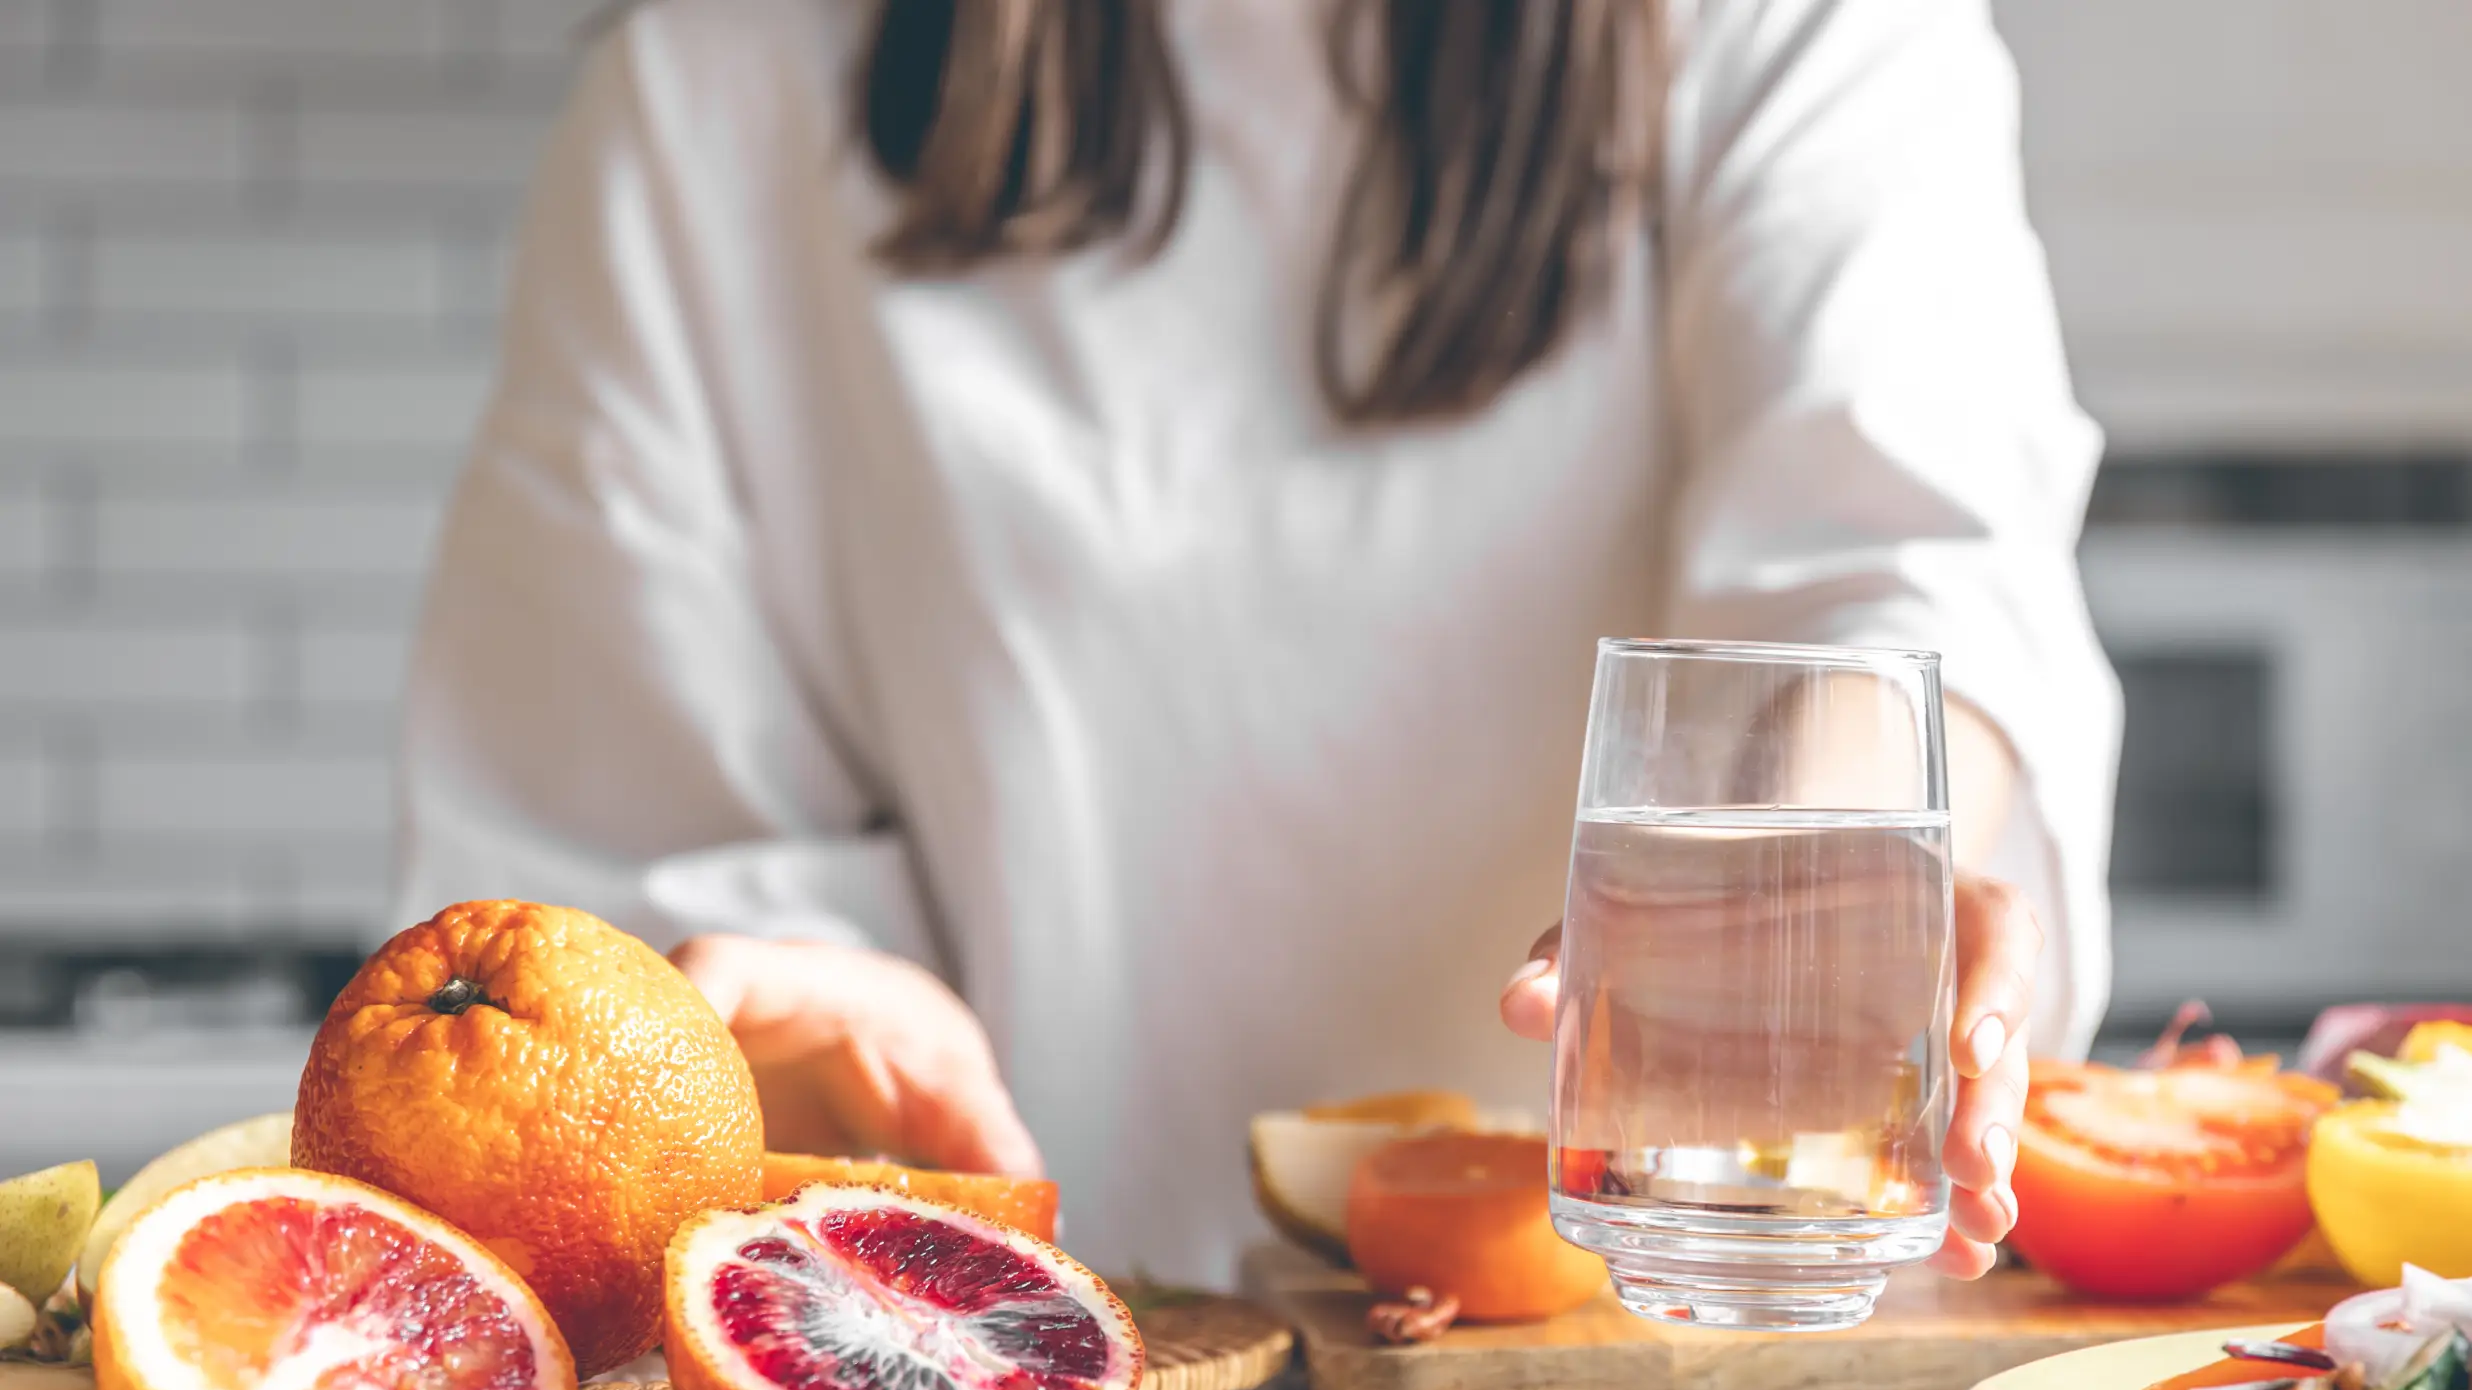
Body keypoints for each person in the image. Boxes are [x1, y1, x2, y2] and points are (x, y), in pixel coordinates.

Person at [394, 0, 2121, 1288]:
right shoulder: (715, 92)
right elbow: (615, 857)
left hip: (1645, 1387)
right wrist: (786, 1050)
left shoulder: (1794, 29)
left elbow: (1900, 570)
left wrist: (1811, 876)